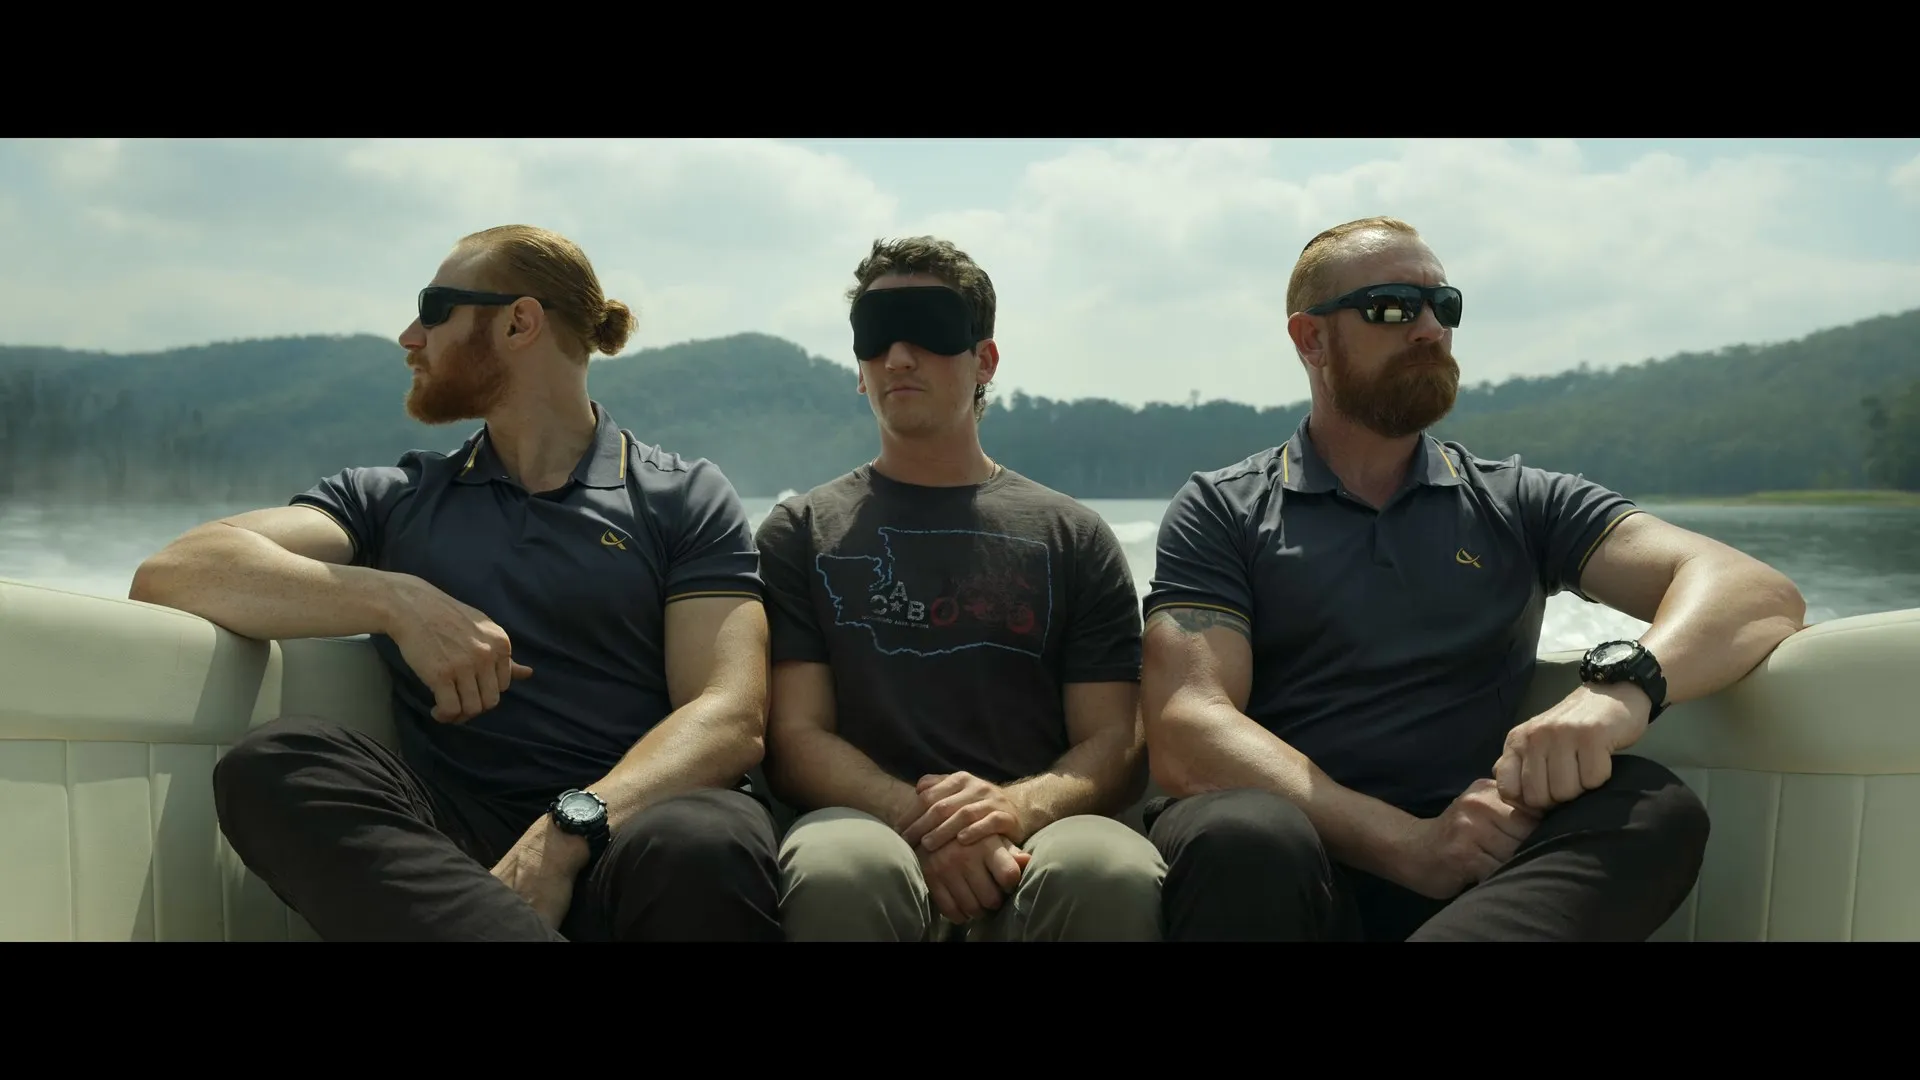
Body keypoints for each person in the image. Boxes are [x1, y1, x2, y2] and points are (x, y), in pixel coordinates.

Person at [1138, 216, 1808, 942]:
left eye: (1444, 305)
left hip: (1474, 866)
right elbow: (1187, 727)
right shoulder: (1224, 509)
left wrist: (1617, 694)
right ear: (1311, 340)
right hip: (1296, 861)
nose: (1429, 329)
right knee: (1243, 834)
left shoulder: (1518, 502)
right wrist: (1407, 844)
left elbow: (1753, 591)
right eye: (1392, 308)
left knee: (1653, 809)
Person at [128, 225, 783, 942]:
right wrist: (396, 599)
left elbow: (729, 715)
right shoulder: (395, 498)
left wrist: (565, 834)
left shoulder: (681, 497)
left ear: (518, 322)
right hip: (462, 856)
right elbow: (176, 571)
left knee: (704, 841)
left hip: (634, 828)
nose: (410, 337)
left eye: (433, 309)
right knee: (276, 765)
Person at [753, 235, 1165, 941]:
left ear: (986, 360)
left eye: (929, 331)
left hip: (1038, 832)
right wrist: (918, 816)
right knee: (840, 871)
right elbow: (795, 734)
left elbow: (1114, 740)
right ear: (859, 369)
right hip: (864, 822)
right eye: (876, 336)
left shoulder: (1073, 536)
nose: (898, 357)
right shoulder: (800, 532)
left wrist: (1013, 810)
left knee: (1107, 871)